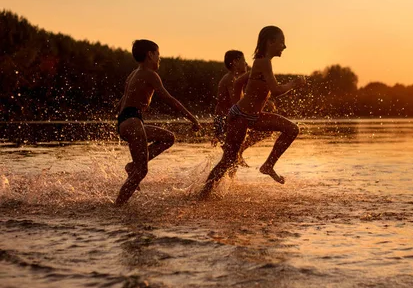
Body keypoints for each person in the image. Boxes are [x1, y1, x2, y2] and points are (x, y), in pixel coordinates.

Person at [199, 26, 306, 198]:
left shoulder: (261, 63)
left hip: (251, 116)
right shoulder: (263, 62)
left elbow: (239, 82)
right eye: (282, 42)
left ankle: (268, 165)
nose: (284, 46)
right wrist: (294, 83)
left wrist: (239, 105)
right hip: (241, 117)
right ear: (270, 42)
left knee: (292, 129)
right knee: (228, 160)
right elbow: (276, 90)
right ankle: (203, 195)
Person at [115, 39, 200, 206]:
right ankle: (117, 206)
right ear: (150, 55)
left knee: (168, 138)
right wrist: (192, 117)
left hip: (128, 120)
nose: (159, 58)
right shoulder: (150, 74)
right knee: (142, 171)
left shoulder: (133, 74)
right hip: (132, 121)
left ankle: (132, 166)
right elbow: (169, 99)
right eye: (158, 55)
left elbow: (121, 103)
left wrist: (121, 124)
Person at [212, 50, 249, 147]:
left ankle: (239, 152)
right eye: (243, 60)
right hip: (224, 121)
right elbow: (236, 104)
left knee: (231, 153)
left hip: (225, 120)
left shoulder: (234, 78)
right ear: (235, 62)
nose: (246, 63)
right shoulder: (231, 79)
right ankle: (240, 151)